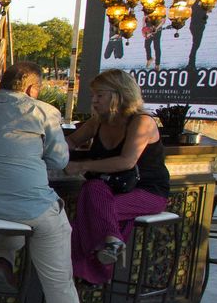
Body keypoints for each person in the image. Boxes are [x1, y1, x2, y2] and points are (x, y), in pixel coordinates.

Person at [0, 61, 116, 303]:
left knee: (13, 215)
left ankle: (4, 259)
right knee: (57, 268)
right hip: (30, 206)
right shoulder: (42, 111)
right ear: (32, 89)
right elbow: (60, 160)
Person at [64, 68, 170, 286]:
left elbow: (127, 161)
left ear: (118, 95)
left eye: (99, 95)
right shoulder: (98, 121)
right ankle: (111, 242)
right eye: (93, 95)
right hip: (109, 191)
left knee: (91, 208)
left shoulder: (142, 122)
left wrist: (81, 165)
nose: (94, 101)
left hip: (148, 192)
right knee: (92, 189)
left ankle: (89, 270)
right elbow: (72, 141)